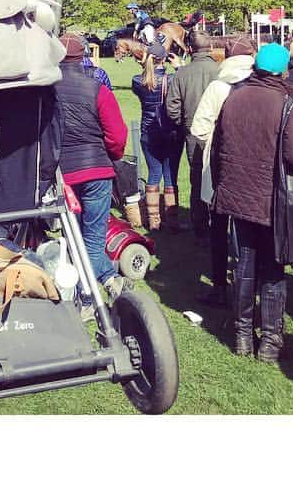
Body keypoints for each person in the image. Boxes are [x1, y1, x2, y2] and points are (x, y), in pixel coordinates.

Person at [213, 43, 293, 361]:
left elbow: (218, 147)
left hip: (238, 193)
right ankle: (270, 342)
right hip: (272, 199)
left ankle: (243, 337)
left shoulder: (234, 96)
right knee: (272, 269)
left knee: (244, 265)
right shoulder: (288, 103)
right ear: (283, 71)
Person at [53, 32, 129, 300]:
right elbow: (118, 135)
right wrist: (111, 155)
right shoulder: (98, 89)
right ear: (82, 56)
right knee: (93, 238)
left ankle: (90, 289)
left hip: (63, 173)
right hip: (95, 170)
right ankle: (98, 287)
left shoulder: (44, 92)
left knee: (73, 238)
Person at [189, 33, 257, 304]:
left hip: (220, 168)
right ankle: (247, 285)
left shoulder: (218, 88)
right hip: (253, 168)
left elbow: (199, 129)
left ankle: (220, 287)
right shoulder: (262, 86)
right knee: (248, 230)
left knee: (219, 228)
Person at [165, 30, 221, 239]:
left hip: (193, 134)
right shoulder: (220, 71)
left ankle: (201, 230)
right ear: (211, 48)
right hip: (219, 132)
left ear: (189, 49)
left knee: (198, 180)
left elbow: (172, 107)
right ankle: (217, 226)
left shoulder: (182, 73)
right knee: (219, 178)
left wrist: (184, 124)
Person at [131, 41, 183, 231]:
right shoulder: (172, 79)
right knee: (170, 177)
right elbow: (182, 85)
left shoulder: (137, 81)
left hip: (148, 132)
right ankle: (173, 221)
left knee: (154, 174)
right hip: (171, 132)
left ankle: (154, 221)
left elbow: (145, 77)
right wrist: (179, 68)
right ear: (165, 59)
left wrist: (146, 63)